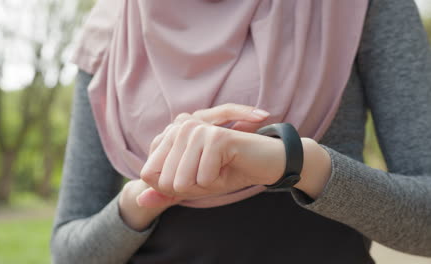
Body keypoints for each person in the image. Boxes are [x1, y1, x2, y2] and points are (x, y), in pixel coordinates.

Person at [51, 0, 431, 263]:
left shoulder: (358, 8)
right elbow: (68, 252)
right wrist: (143, 198)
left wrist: (298, 163)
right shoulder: (111, 25)